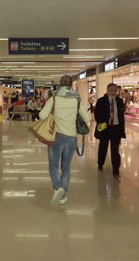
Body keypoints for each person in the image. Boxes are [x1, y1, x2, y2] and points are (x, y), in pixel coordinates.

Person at [39, 76, 90, 205]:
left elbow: (41, 115)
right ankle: (62, 196)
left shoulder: (54, 98)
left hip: (56, 137)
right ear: (71, 84)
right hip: (71, 138)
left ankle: (58, 187)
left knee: (53, 166)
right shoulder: (76, 99)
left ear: (60, 84)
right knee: (66, 167)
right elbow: (88, 117)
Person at [94, 83, 126, 180]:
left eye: (114, 90)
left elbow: (121, 117)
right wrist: (99, 122)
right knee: (103, 147)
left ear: (117, 91)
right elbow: (97, 113)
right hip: (105, 127)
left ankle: (116, 171)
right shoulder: (101, 101)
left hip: (116, 129)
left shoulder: (120, 101)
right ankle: (100, 163)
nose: (113, 92)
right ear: (107, 90)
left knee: (115, 150)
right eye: (111, 90)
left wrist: (121, 131)